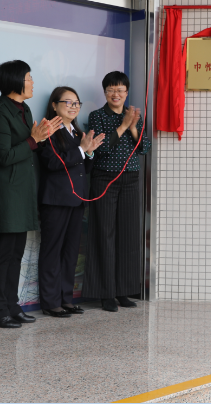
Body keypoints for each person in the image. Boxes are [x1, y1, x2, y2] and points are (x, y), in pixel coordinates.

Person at [0, 60, 61, 328]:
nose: (32, 82)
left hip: (22, 189)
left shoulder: (24, 109)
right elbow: (3, 156)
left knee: (16, 252)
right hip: (6, 191)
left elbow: (29, 148)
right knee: (3, 253)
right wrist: (34, 140)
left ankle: (12, 306)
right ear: (15, 81)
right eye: (29, 77)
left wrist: (42, 138)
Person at [82, 71, 151, 312]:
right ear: (104, 92)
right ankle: (106, 293)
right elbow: (100, 150)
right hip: (104, 179)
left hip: (130, 179)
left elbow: (144, 148)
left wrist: (133, 127)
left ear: (126, 92)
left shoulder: (134, 115)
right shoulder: (97, 116)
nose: (116, 94)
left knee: (128, 235)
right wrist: (122, 126)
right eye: (111, 89)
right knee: (104, 234)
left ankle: (124, 291)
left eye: (120, 90)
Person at [38, 87, 105, 317]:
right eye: (68, 102)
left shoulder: (77, 133)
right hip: (56, 199)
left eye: (76, 103)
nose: (73, 107)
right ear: (54, 105)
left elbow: (83, 168)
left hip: (76, 199)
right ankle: (50, 302)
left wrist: (90, 152)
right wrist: (81, 150)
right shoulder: (47, 131)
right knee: (52, 251)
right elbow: (53, 163)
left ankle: (66, 299)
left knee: (70, 252)